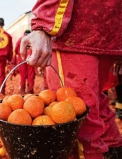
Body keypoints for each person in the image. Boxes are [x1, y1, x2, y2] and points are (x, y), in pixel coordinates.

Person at [20, 1, 122, 159]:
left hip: (76, 33)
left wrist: (44, 24)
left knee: (77, 124)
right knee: (96, 104)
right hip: (107, 31)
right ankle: (113, 150)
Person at [15, 30, 35, 95]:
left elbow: (16, 49)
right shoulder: (33, 39)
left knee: (22, 75)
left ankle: (22, 90)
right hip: (31, 59)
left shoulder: (20, 39)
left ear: (24, 33)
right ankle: (30, 90)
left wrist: (19, 54)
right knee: (31, 75)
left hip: (22, 60)